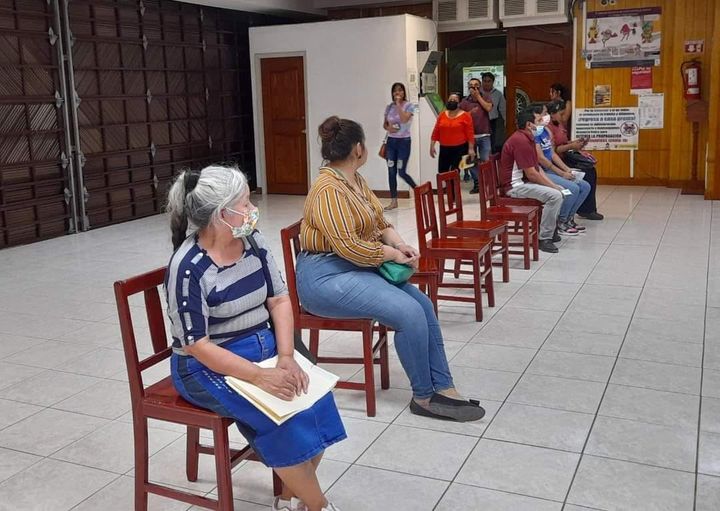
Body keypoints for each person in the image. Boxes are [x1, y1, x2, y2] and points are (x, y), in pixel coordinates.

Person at [165, 165, 345, 511]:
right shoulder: (188, 268)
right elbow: (197, 345)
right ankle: (318, 506)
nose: (252, 209)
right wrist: (260, 377)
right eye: (245, 203)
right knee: (278, 417)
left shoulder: (252, 241)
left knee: (315, 401)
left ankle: (290, 500)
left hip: (263, 348)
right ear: (221, 214)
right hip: (206, 366)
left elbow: (279, 299)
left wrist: (287, 356)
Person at [297, 115, 486, 423]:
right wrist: (392, 255)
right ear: (358, 149)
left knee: (423, 305)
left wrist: (400, 244)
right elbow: (349, 247)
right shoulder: (328, 189)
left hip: (354, 267)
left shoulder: (355, 180)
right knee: (408, 313)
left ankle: (443, 386)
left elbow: (379, 221)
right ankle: (423, 396)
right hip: (326, 276)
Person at [499, 108, 564, 254]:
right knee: (555, 196)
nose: (542, 124)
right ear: (529, 124)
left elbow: (537, 169)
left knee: (559, 189)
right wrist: (553, 188)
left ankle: (551, 229)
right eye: (538, 121)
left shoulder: (528, 139)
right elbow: (532, 174)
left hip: (523, 183)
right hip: (514, 187)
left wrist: (554, 185)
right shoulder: (520, 140)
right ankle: (544, 238)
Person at [531, 103, 591, 236]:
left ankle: (569, 218)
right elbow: (541, 158)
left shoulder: (546, 131)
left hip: (550, 169)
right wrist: (561, 173)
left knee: (585, 186)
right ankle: (561, 222)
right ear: (536, 115)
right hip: (541, 172)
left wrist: (567, 169)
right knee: (573, 189)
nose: (547, 116)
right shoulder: (533, 134)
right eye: (544, 113)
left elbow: (552, 153)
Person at [547, 100, 604, 220]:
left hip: (565, 157)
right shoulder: (548, 129)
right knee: (586, 174)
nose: (563, 117)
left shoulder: (560, 125)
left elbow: (563, 142)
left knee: (590, 169)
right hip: (556, 162)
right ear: (552, 114)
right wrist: (571, 146)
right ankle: (585, 210)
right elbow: (553, 150)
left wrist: (575, 143)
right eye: (561, 114)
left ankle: (587, 208)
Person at [382, 82, 418, 211]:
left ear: (404, 92)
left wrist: (398, 105)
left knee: (401, 171)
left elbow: (404, 120)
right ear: (392, 93)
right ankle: (393, 201)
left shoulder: (409, 106)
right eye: (395, 91)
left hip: (404, 142)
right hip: (391, 142)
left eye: (400, 90)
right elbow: (385, 124)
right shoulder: (389, 107)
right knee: (391, 171)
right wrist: (389, 128)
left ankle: (418, 190)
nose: (398, 93)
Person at [460, 77, 493, 194]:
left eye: (476, 85)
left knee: (486, 159)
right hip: (469, 137)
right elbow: (459, 117)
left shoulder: (486, 97)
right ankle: (477, 182)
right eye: (471, 86)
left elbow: (488, 108)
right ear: (468, 88)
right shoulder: (464, 101)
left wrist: (478, 96)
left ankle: (488, 183)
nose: (474, 88)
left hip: (484, 135)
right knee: (468, 161)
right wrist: (470, 113)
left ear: (480, 87)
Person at [430, 93, 475, 173]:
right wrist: (432, 145)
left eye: (454, 100)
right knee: (442, 171)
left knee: (455, 171)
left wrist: (471, 148)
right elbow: (436, 130)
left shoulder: (466, 116)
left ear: (459, 103)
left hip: (460, 148)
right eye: (450, 100)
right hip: (444, 148)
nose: (452, 101)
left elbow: (470, 133)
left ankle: (455, 182)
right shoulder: (442, 115)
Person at [481, 72, 506, 153]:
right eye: (485, 81)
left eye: (489, 81)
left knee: (492, 141)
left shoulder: (498, 94)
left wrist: (506, 121)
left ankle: (490, 158)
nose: (486, 83)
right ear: (482, 81)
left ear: (493, 82)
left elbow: (503, 109)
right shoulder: (477, 93)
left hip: (492, 121)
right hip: (479, 121)